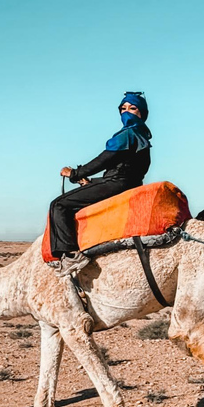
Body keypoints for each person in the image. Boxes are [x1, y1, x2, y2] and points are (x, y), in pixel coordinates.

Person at [48, 92, 152, 276]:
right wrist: (89, 182)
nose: (126, 112)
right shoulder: (142, 136)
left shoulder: (127, 135)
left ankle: (71, 256)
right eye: (123, 109)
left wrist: (74, 173)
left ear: (141, 113)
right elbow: (121, 171)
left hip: (117, 185)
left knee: (59, 205)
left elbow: (102, 161)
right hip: (126, 184)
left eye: (132, 108)